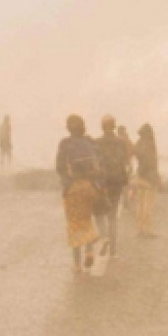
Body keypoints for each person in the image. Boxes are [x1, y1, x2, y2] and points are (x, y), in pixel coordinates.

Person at [55, 115, 102, 273]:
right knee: (86, 219)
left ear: (69, 128)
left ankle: (77, 265)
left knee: (74, 224)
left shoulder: (65, 144)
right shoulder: (90, 143)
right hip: (89, 187)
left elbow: (60, 167)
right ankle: (89, 250)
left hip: (74, 189)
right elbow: (99, 165)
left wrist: (67, 182)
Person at [94, 115, 130, 257]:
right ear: (114, 126)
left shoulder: (97, 143)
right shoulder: (121, 143)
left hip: (102, 183)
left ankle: (104, 237)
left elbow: (95, 164)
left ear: (102, 127)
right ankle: (113, 251)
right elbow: (125, 162)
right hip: (117, 183)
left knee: (98, 213)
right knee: (112, 216)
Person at [133, 123, 161, 238]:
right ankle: (147, 230)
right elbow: (152, 163)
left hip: (140, 176)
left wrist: (139, 173)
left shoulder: (138, 143)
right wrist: (157, 177)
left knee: (140, 203)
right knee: (148, 205)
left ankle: (139, 228)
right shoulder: (150, 144)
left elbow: (138, 158)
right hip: (150, 178)